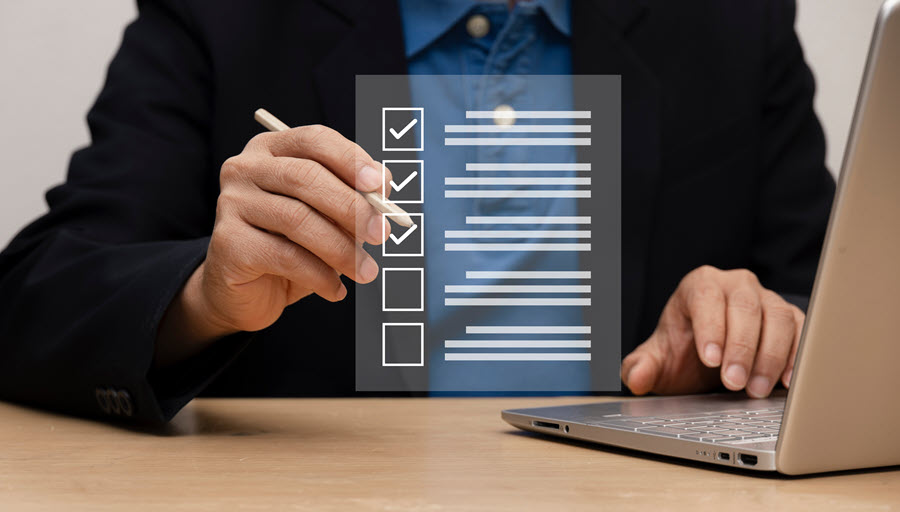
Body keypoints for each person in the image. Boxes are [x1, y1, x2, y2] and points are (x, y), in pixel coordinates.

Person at [0, 0, 834, 424]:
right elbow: (37, 298)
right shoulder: (225, 16)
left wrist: (758, 337)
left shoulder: (733, 20)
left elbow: (840, 307)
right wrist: (207, 299)